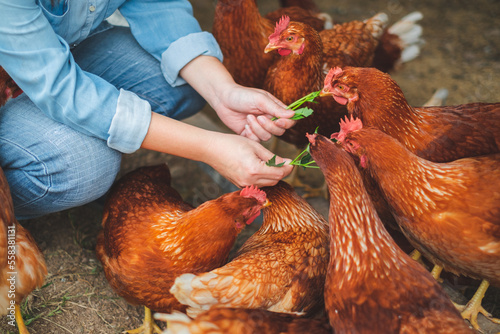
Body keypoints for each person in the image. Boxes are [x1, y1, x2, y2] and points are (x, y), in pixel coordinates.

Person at [0, 0, 295, 220]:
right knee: (86, 166)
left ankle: (48, 138)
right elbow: (63, 89)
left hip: (50, 61)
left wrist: (223, 91)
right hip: (38, 76)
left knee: (182, 79)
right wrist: (208, 147)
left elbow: (158, 6)